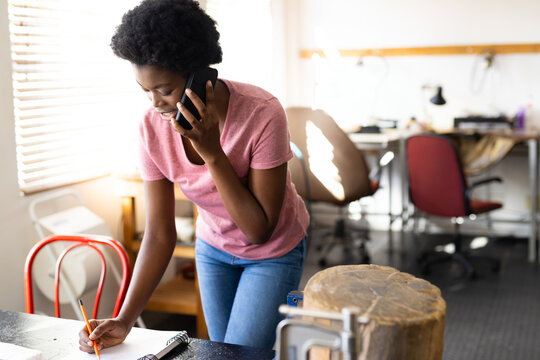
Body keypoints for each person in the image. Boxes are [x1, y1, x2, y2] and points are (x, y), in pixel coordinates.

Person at [78, 0, 309, 352]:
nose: (156, 103)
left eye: (166, 90)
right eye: (146, 91)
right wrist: (124, 319)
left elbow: (259, 230)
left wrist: (212, 152)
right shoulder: (151, 129)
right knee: (221, 350)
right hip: (214, 247)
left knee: (243, 354)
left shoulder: (262, 113)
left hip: (272, 252)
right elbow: (158, 233)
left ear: (200, 76)